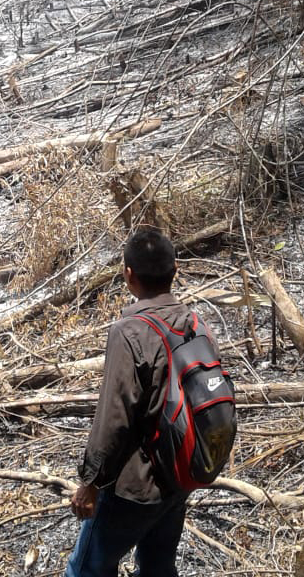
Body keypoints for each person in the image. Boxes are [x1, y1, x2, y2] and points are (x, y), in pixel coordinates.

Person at [66, 227, 216, 577]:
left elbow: (113, 419)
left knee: (85, 569)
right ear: (175, 269)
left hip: (135, 486)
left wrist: (89, 482)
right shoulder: (197, 324)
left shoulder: (128, 331)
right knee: (157, 567)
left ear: (128, 275)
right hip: (181, 474)